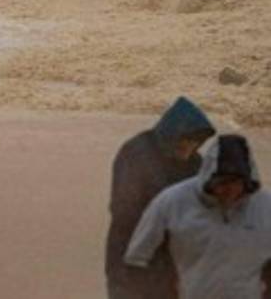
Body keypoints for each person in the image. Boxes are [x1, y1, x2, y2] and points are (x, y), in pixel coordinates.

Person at [126, 134, 271, 298]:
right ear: (208, 177)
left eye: (236, 181)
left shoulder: (266, 207)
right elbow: (138, 257)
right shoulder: (172, 201)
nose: (229, 189)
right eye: (222, 182)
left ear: (248, 180)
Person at [105, 96, 215, 298]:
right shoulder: (136, 153)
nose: (190, 146)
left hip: (172, 265)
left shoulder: (195, 164)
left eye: (196, 142)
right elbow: (123, 210)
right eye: (186, 139)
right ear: (172, 133)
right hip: (129, 256)